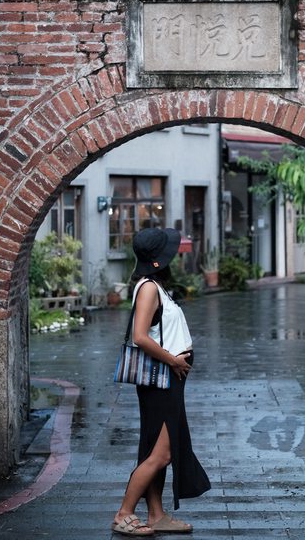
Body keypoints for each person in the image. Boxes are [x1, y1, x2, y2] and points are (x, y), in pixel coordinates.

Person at [112, 227, 211, 537]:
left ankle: (156, 515)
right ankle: (123, 513)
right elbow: (140, 336)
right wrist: (172, 360)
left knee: (155, 450)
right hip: (162, 381)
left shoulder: (155, 286)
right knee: (162, 454)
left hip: (169, 380)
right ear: (158, 258)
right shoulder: (148, 289)